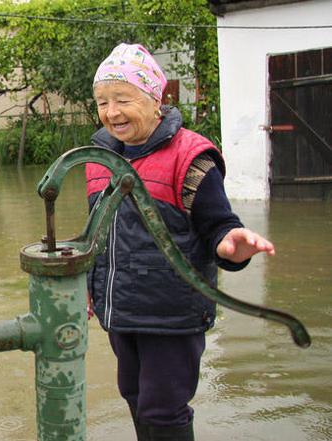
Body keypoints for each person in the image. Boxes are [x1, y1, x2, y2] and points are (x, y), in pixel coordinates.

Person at [85, 43, 275, 441]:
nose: (112, 112)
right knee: (134, 395)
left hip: (172, 314)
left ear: (155, 99)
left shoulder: (190, 157)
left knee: (164, 407)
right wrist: (88, 285)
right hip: (120, 311)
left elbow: (219, 225)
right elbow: (98, 233)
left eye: (123, 99)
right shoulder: (98, 158)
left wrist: (232, 245)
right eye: (103, 102)